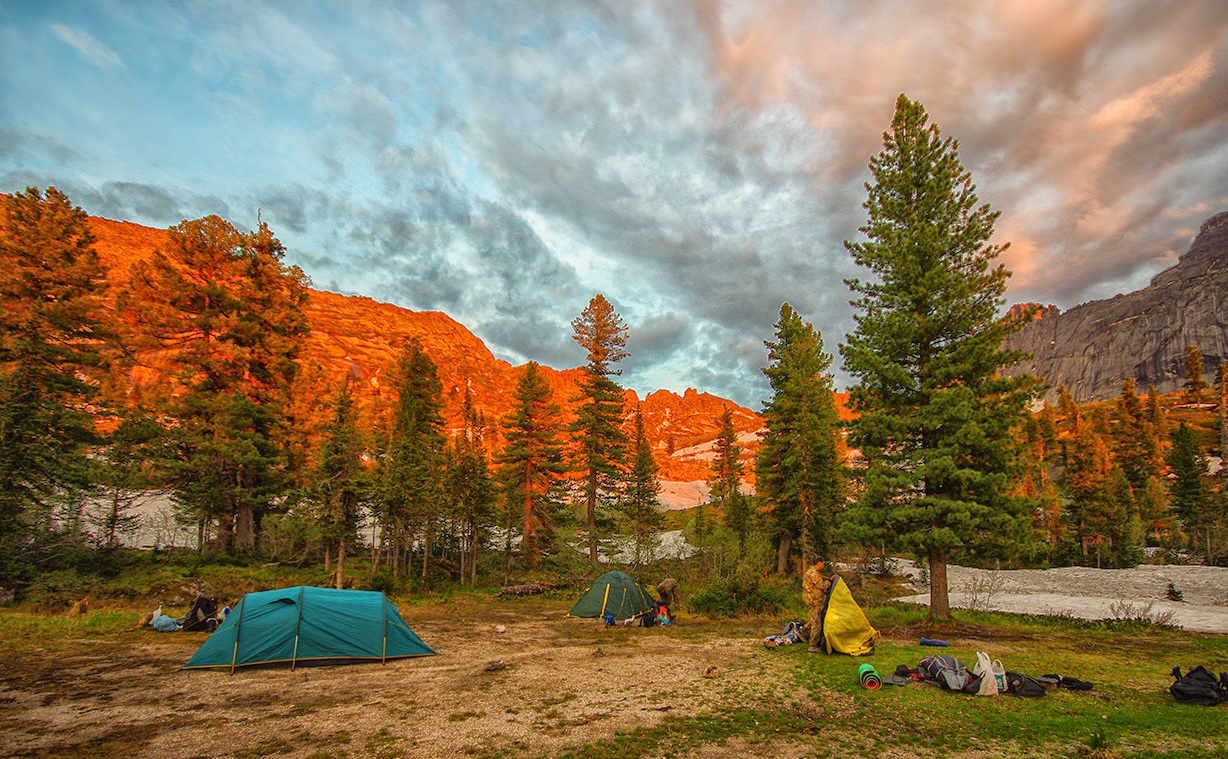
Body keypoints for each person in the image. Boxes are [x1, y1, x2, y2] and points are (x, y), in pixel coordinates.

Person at [802, 560, 829, 653]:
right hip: (813, 601)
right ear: (819, 563)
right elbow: (821, 585)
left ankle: (803, 633)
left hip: (813, 600)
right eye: (823, 564)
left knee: (815, 619)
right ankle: (812, 645)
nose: (823, 566)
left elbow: (816, 588)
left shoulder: (813, 572)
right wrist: (829, 582)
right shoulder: (813, 573)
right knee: (816, 623)